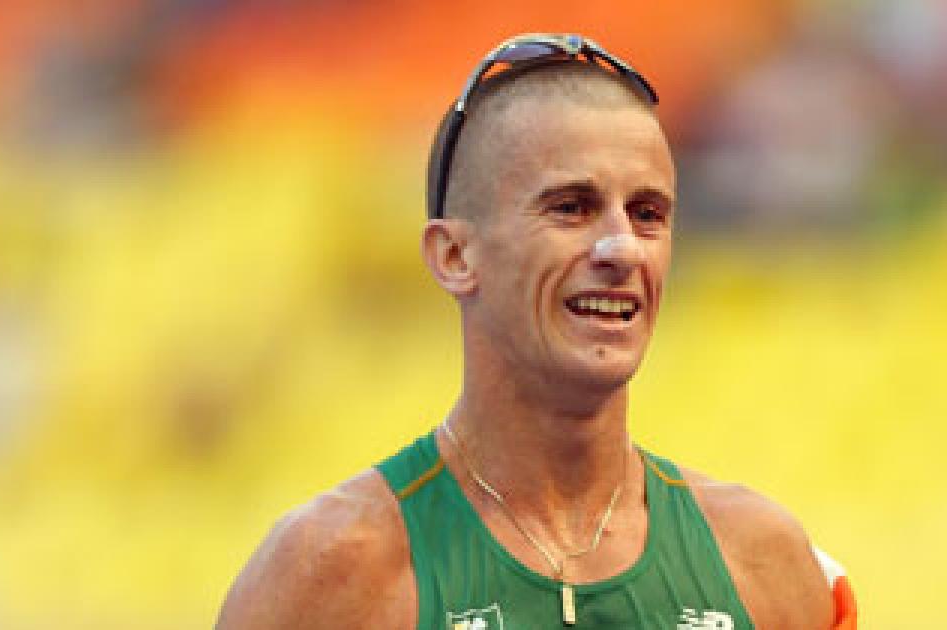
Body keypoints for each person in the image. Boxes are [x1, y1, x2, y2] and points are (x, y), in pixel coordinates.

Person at [215, 33, 857, 629]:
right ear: (454, 256)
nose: (621, 248)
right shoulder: (333, 571)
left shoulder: (763, 565)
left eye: (647, 214)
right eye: (571, 208)